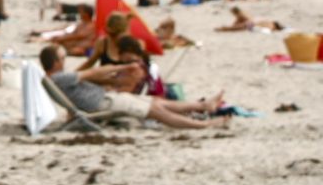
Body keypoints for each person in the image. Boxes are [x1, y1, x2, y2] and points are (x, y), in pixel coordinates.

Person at [39, 45, 228, 131]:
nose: (65, 60)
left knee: (157, 102)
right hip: (104, 103)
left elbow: (84, 85)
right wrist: (124, 67)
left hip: (107, 99)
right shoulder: (59, 78)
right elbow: (93, 72)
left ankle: (203, 106)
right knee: (156, 111)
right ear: (55, 62)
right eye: (63, 58)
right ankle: (203, 125)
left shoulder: (56, 79)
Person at [79, 33, 154, 94]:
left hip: (121, 99)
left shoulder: (135, 68)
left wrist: (93, 80)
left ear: (127, 51)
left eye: (119, 53)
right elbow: (116, 80)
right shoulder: (137, 63)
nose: (119, 57)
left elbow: (123, 87)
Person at [216, 6, 284, 33]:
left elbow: (235, 24)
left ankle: (223, 28)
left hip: (252, 23)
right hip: (253, 22)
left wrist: (230, 27)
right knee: (236, 27)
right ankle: (223, 28)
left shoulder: (240, 14)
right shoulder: (242, 13)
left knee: (235, 28)